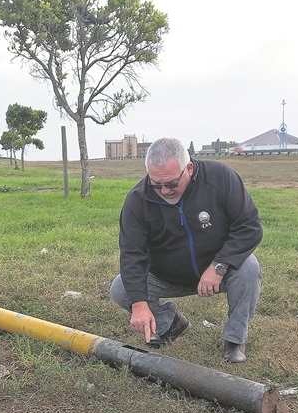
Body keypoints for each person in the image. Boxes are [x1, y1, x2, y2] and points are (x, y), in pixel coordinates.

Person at [110, 137, 263, 363]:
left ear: (189, 168)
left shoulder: (220, 177)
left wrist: (219, 266)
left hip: (217, 271)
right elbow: (132, 254)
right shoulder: (137, 200)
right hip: (165, 275)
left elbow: (249, 227)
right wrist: (139, 304)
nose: (164, 190)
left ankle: (234, 340)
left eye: (171, 183)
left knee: (249, 267)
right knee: (121, 288)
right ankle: (170, 323)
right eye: (156, 183)